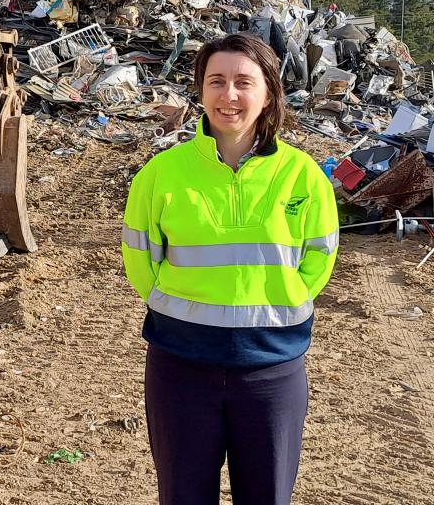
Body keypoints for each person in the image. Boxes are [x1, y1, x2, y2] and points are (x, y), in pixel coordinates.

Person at [121, 33, 338, 505]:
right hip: (180, 366)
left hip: (272, 369)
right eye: (216, 81)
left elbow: (320, 257)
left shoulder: (303, 175)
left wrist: (281, 304)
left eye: (244, 81)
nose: (230, 95)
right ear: (200, 91)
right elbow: (141, 260)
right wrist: (177, 305)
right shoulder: (160, 174)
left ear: (268, 92)